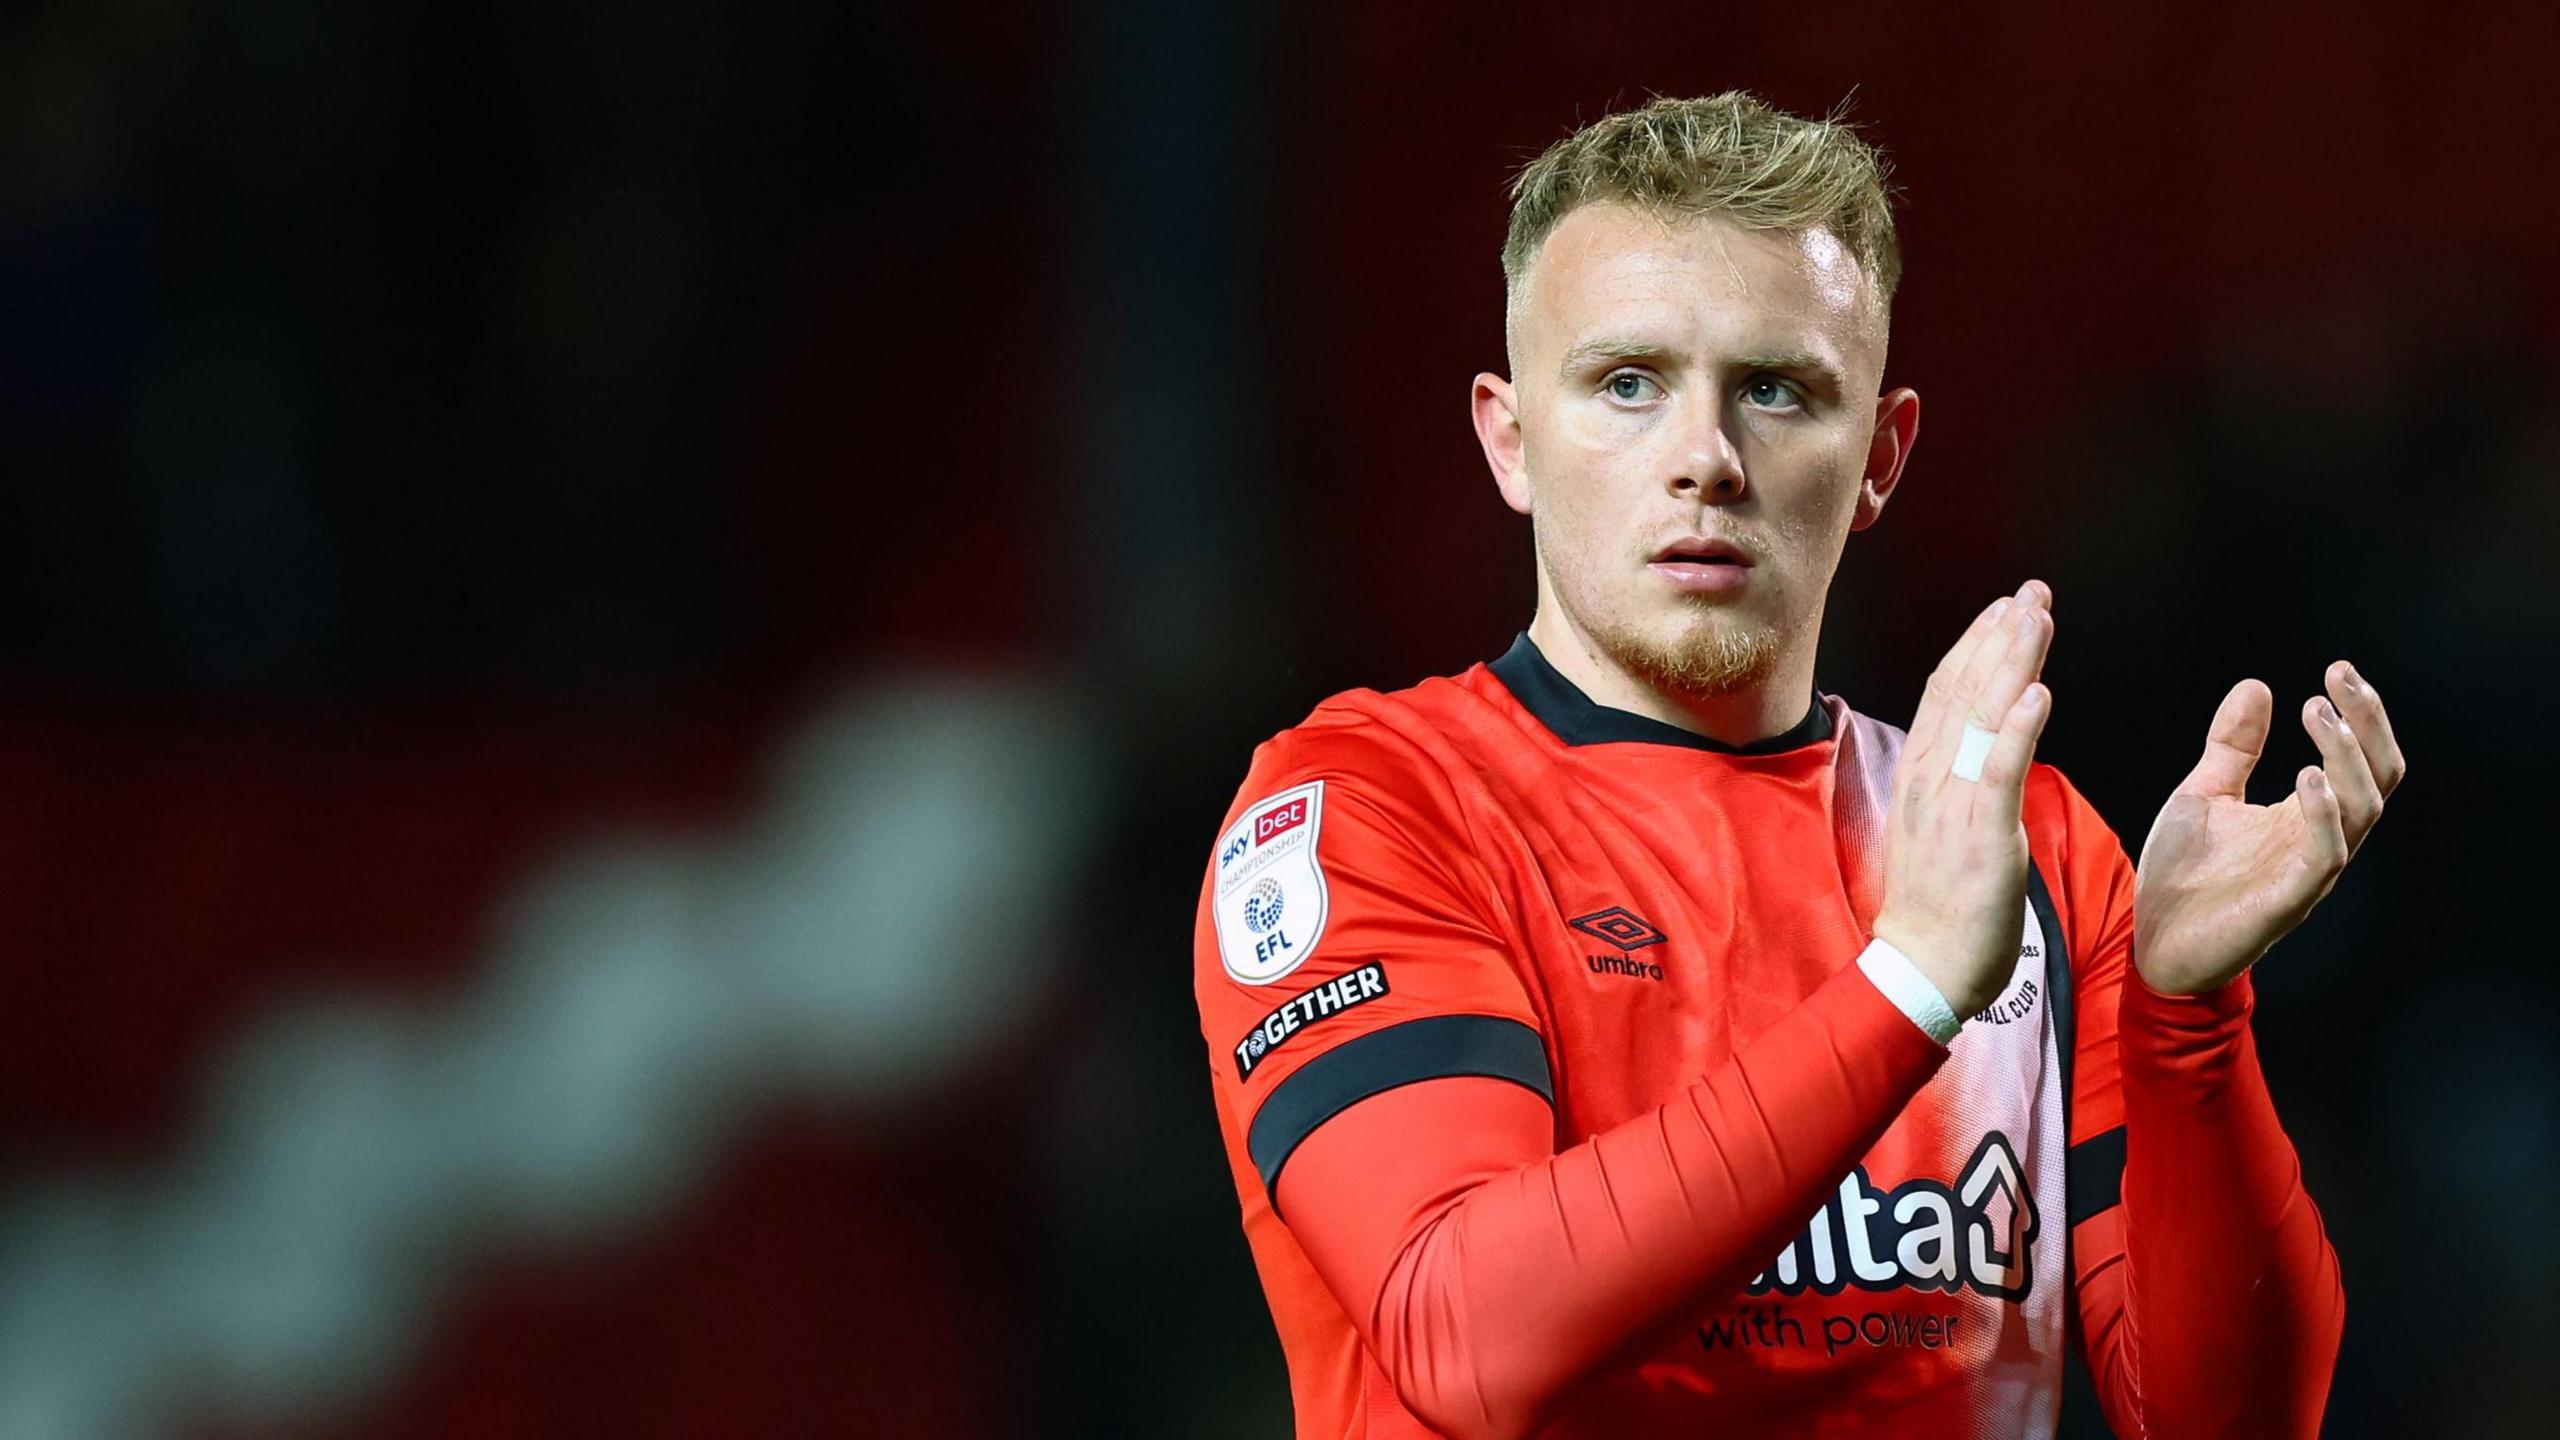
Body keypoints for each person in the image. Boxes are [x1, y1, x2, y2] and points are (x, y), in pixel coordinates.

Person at [1190, 93, 2400, 1439]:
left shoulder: (2035, 853)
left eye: (1776, 391)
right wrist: (1910, 987)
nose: (1705, 460)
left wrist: (2188, 1022)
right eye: (1628, 383)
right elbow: (1463, 1331)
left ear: (1881, 456)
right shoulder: (1373, 803)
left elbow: (2220, 1423)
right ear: (1509, 439)